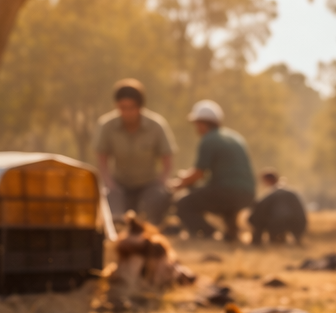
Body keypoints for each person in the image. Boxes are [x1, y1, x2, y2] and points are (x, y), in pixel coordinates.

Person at [95, 79, 176, 225]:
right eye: (122, 107)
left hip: (149, 184)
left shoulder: (157, 125)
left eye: (131, 107)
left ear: (140, 107)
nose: (126, 112)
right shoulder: (106, 125)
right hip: (119, 184)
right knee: (113, 212)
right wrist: (110, 184)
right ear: (116, 106)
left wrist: (160, 184)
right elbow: (102, 160)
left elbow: (168, 161)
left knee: (154, 207)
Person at [173, 100, 255, 239]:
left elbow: (198, 174)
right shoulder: (235, 137)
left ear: (202, 123)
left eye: (196, 124)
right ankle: (231, 232)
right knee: (220, 197)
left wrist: (178, 184)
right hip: (248, 194)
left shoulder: (208, 139)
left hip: (226, 192)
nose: (196, 128)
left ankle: (210, 233)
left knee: (183, 203)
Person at [249, 169, 308, 245]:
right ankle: (286, 240)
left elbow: (259, 208)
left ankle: (256, 242)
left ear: (268, 180)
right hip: (299, 222)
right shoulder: (290, 191)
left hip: (279, 222)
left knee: (256, 218)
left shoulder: (272, 193)